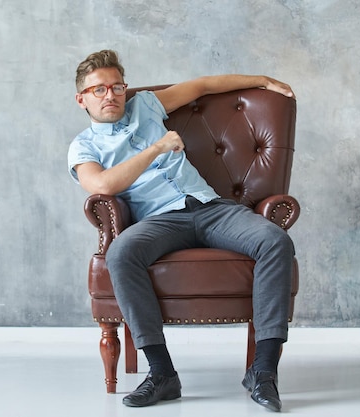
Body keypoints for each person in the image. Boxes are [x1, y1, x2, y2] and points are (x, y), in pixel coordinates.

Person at [67, 50, 295, 411]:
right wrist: (158, 147)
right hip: (159, 221)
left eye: (116, 87)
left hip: (211, 208)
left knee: (275, 241)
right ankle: (162, 374)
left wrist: (262, 81)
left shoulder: (146, 105)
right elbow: (103, 185)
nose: (109, 95)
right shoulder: (84, 145)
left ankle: (264, 371)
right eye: (98, 90)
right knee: (121, 253)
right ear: (82, 98)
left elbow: (202, 86)